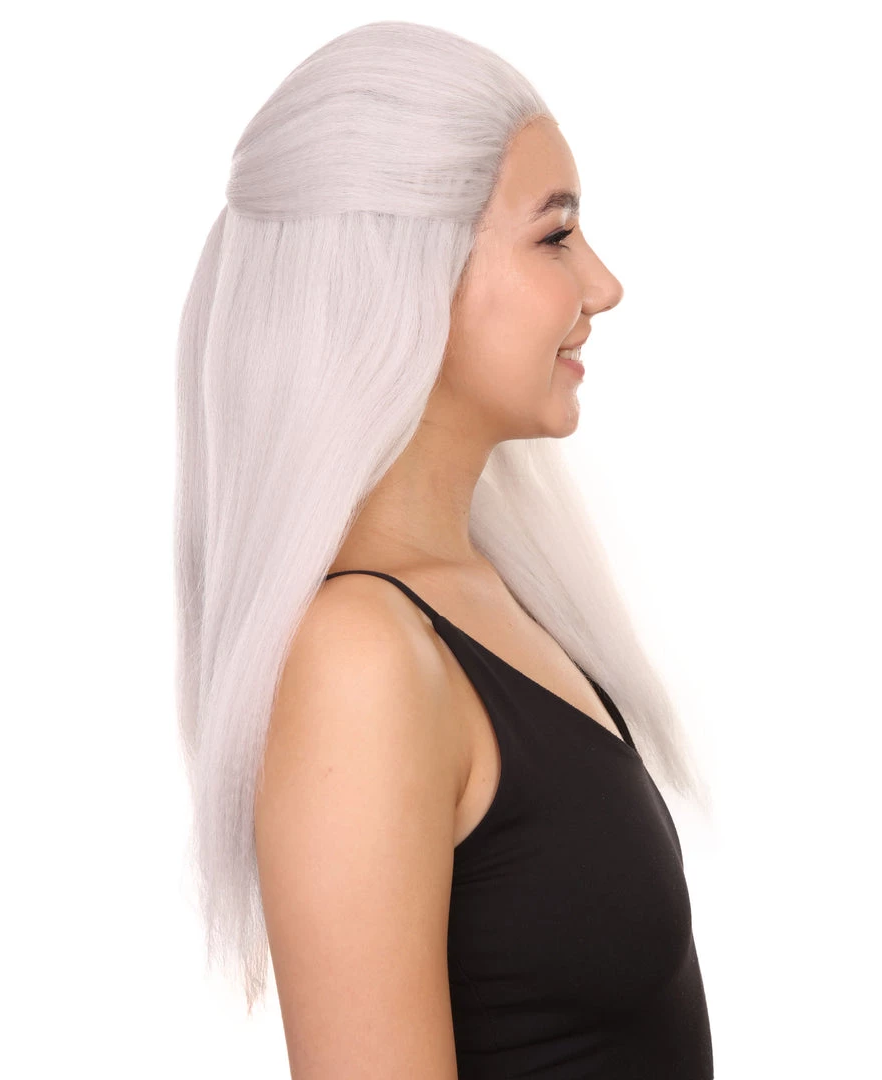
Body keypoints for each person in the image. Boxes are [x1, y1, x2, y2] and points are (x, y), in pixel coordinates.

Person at [174, 20, 714, 1078]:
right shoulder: (359, 656)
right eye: (554, 235)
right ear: (405, 270)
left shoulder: (487, 600)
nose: (602, 285)